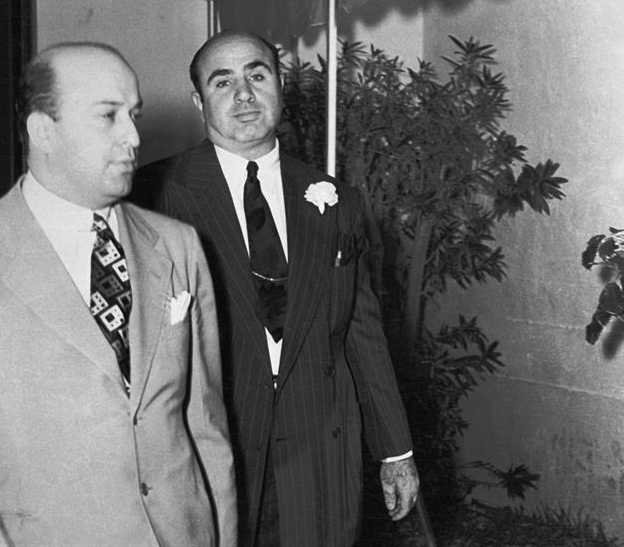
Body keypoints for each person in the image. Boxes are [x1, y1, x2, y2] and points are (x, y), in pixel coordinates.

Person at [0, 42, 237, 546]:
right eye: (108, 115)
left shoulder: (178, 245)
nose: (133, 136)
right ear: (43, 131)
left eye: (134, 115)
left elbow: (206, 430)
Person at [134, 30, 420, 547]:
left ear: (280, 88)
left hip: (318, 451)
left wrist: (395, 451)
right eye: (223, 82)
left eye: (257, 75)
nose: (244, 94)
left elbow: (362, 333)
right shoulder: (151, 197)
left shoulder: (337, 202)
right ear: (199, 102)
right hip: (210, 451)